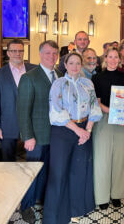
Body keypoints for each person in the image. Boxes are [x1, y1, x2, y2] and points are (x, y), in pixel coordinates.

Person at [43, 52, 102, 224]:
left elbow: (94, 108)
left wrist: (88, 131)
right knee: (59, 172)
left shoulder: (87, 83)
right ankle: (53, 217)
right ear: (65, 65)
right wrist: (78, 131)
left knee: (79, 171)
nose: (75, 66)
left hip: (84, 130)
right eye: (71, 63)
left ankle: (75, 210)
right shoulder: (58, 84)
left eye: (78, 63)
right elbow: (56, 112)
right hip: (63, 131)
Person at [17, 40, 61, 223]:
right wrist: (27, 136)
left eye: (55, 53)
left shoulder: (59, 75)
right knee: (32, 173)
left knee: (48, 171)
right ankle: (26, 206)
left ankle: (40, 199)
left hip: (56, 136)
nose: (52, 57)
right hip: (36, 136)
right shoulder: (29, 77)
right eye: (48, 53)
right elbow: (22, 110)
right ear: (40, 54)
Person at [92, 47, 124, 210]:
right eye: (110, 57)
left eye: (116, 57)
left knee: (120, 158)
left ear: (119, 59)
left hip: (122, 120)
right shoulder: (97, 77)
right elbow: (97, 102)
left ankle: (117, 194)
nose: (113, 60)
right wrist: (113, 112)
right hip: (104, 119)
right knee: (102, 159)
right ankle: (101, 196)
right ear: (105, 59)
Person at [0, 39, 36, 161]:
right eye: (13, 51)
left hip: (33, 124)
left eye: (20, 51)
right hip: (7, 125)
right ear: (8, 53)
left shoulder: (35, 70)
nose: (17, 53)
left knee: (34, 162)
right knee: (8, 162)